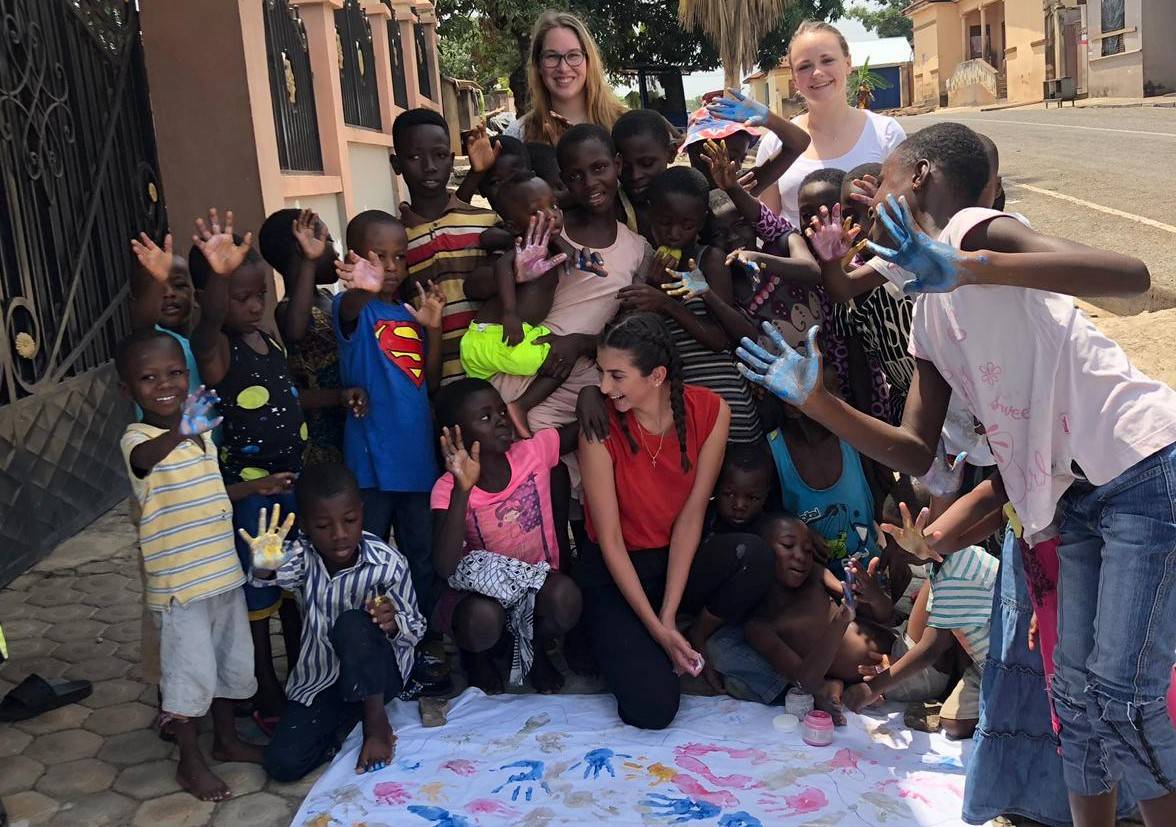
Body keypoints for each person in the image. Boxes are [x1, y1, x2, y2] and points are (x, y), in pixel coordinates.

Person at [738, 121, 1176, 827]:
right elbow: (914, 449)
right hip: (1071, 503)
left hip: (1137, 467)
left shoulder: (976, 229)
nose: (864, 197)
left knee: (1124, 698)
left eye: (877, 183)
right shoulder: (928, 311)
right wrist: (817, 401)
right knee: (1076, 702)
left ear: (918, 181)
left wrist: (967, 266)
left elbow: (1129, 279)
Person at [576, 312, 773, 729]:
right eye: (601, 374)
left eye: (617, 376)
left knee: (752, 555)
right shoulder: (599, 425)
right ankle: (625, 635)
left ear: (657, 375)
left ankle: (691, 630)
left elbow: (692, 515)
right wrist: (656, 627)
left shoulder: (711, 410)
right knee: (652, 711)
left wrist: (667, 617)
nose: (603, 388)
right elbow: (609, 540)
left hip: (674, 562)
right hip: (617, 570)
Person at [117, 330, 262, 801]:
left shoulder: (202, 438)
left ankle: (227, 739)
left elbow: (212, 492)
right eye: (149, 377)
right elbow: (145, 460)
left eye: (175, 373)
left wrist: (257, 488)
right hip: (180, 588)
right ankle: (189, 762)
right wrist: (181, 430)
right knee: (187, 675)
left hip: (220, 573)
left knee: (224, 663)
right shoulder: (139, 438)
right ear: (127, 390)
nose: (166, 384)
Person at [188, 208, 304, 725]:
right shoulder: (219, 350)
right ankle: (265, 685)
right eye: (241, 297)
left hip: (289, 493)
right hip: (255, 503)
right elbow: (206, 328)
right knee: (261, 596)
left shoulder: (267, 338)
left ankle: (304, 673)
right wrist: (217, 276)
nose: (254, 306)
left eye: (260, 294)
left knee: (293, 588)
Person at [252, 463, 426, 782]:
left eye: (349, 520)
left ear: (362, 512)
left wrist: (393, 623)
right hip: (323, 679)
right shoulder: (303, 556)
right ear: (304, 526)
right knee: (283, 764)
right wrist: (264, 565)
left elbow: (416, 629)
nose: (340, 535)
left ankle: (376, 726)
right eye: (322, 525)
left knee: (353, 624)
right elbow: (271, 576)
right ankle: (345, 724)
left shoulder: (387, 563)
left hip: (380, 678)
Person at [474, 124, 647, 438]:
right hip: (515, 365)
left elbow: (628, 330)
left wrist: (581, 343)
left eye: (599, 168)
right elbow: (475, 285)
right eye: (576, 176)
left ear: (617, 166)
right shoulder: (544, 226)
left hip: (576, 385)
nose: (591, 183)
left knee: (555, 465)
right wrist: (518, 273)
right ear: (564, 182)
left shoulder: (637, 249)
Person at [430, 379, 582, 694]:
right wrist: (463, 489)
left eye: (500, 410)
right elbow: (445, 566)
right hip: (487, 599)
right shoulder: (447, 489)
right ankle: (478, 658)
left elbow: (580, 432)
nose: (501, 419)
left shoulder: (533, 452)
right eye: (485, 417)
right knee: (481, 619)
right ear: (457, 435)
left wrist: (592, 397)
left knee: (566, 597)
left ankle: (535, 651)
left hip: (536, 588)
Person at [333, 209, 445, 626]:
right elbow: (350, 307)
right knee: (370, 555)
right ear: (355, 258)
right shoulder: (353, 308)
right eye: (378, 257)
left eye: (399, 257)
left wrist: (432, 329)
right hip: (371, 467)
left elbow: (428, 383)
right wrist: (364, 287)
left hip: (416, 463)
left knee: (422, 555)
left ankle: (424, 634)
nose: (391, 268)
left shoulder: (407, 314)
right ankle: (372, 636)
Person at [732, 514, 951, 723]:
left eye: (808, 550)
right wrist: (840, 620)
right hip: (899, 675)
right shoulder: (761, 626)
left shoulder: (815, 575)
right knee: (947, 570)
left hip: (905, 646)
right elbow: (806, 681)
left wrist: (874, 596)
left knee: (948, 567)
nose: (800, 556)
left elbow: (883, 615)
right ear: (762, 552)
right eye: (788, 546)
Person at [617, 166, 763, 444]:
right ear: (649, 214)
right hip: (678, 415)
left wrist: (667, 303)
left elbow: (721, 339)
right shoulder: (641, 259)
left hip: (725, 402)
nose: (674, 233)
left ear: (701, 223)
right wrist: (653, 287)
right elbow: (626, 340)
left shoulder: (709, 260)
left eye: (686, 225)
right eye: (664, 222)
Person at [845, 524, 998, 741]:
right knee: (953, 722)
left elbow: (931, 649)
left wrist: (872, 688)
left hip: (1000, 668)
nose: (892, 549)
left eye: (898, 539)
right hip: (979, 663)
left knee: (955, 725)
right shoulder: (944, 563)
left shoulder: (954, 571)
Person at [750, 20, 906, 229]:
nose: (817, 72)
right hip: (799, 260)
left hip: (875, 260)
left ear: (848, 64)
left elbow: (907, 213)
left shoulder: (886, 133)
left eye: (827, 60)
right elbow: (767, 225)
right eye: (805, 66)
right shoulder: (775, 143)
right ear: (794, 79)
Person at [393, 108, 500, 386]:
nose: (429, 166)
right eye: (415, 157)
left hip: (496, 379)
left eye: (440, 156)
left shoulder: (486, 221)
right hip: (436, 384)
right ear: (396, 164)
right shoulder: (394, 241)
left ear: (452, 160)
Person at [460, 176, 574, 435]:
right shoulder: (522, 248)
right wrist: (510, 314)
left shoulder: (545, 245)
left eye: (554, 205)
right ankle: (520, 407)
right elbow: (502, 266)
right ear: (514, 226)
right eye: (537, 212)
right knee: (562, 356)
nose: (551, 215)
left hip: (482, 340)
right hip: (497, 335)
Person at [767, 364, 887, 579]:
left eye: (839, 390)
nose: (842, 400)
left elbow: (879, 493)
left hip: (869, 574)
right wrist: (801, 532)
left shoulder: (853, 438)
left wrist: (896, 547)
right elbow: (767, 514)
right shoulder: (773, 451)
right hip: (812, 583)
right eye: (829, 394)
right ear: (793, 407)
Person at [504, 11, 624, 146]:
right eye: (552, 56)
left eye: (573, 55)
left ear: (589, 61)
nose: (563, 68)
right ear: (538, 64)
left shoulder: (625, 124)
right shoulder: (518, 135)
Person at [611, 108, 678, 244]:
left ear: (671, 153)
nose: (636, 175)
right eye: (625, 167)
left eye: (647, 164)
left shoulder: (688, 199)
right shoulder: (613, 210)